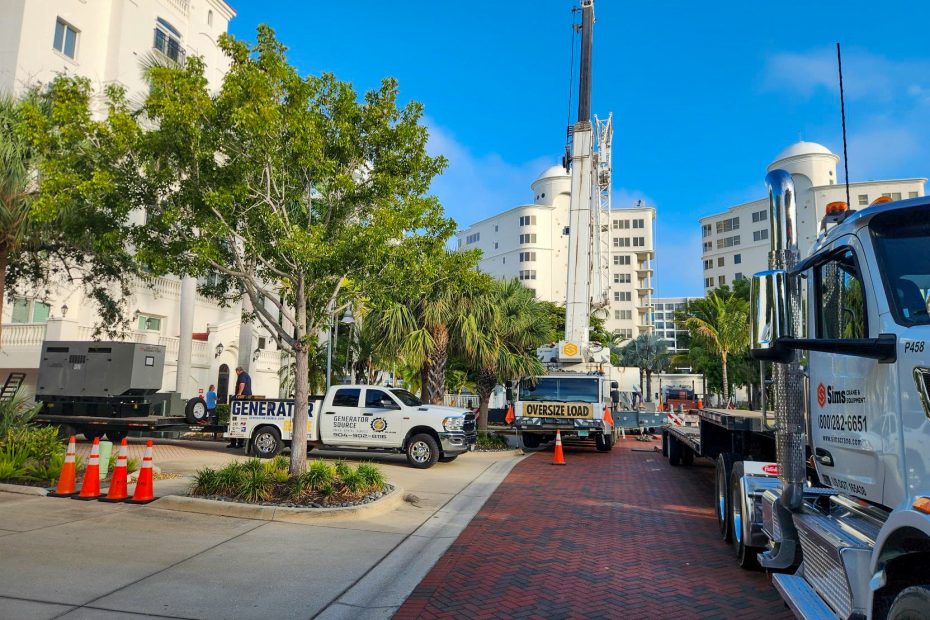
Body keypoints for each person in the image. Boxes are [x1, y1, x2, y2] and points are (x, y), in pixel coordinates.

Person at [227, 367, 253, 449]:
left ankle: (234, 443)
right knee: (242, 421)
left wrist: (239, 394)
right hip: (247, 398)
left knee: (234, 420)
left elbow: (242, 384)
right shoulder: (247, 375)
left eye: (236, 372)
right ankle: (240, 443)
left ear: (238, 371)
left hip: (243, 398)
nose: (236, 374)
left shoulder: (241, 375)